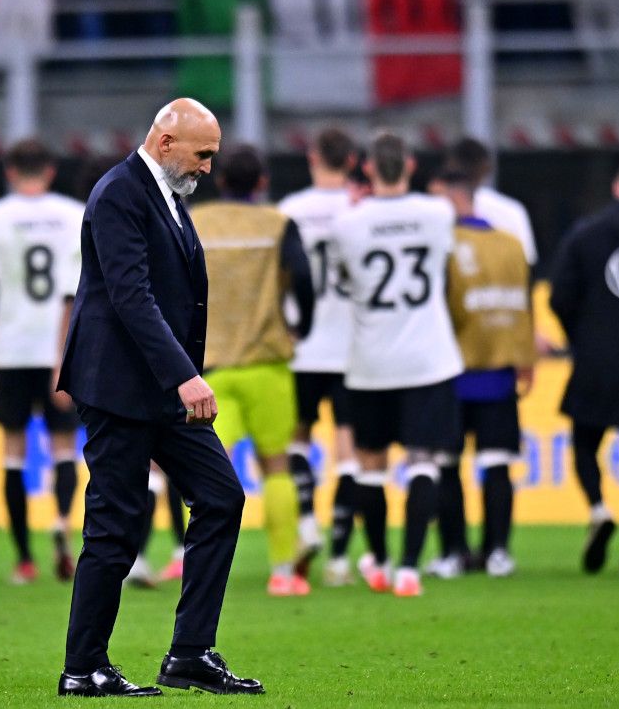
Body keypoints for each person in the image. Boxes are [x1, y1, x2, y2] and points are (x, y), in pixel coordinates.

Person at [56, 98, 261, 697]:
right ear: (165, 141)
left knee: (221, 498)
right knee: (114, 527)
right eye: (202, 155)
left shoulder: (166, 194)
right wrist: (185, 375)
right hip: (120, 387)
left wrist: (179, 377)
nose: (208, 169)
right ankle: (83, 668)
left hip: (162, 390)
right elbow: (129, 295)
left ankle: (190, 654)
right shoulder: (119, 192)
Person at [332, 131, 463, 598]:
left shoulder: (348, 223)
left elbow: (345, 280)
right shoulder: (438, 212)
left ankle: (382, 563)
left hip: (371, 362)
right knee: (423, 460)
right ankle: (410, 568)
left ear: (367, 170)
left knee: (370, 463)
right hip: (428, 359)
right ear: (409, 166)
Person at [195, 144, 315, 596]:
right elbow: (303, 276)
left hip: (210, 369)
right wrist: (305, 323)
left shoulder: (196, 221)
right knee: (277, 466)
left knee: (207, 476)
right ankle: (283, 571)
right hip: (267, 363)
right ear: (262, 181)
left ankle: (203, 572)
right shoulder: (277, 223)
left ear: (219, 179)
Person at [0, 139, 83, 584]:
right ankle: (59, 520)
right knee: (63, 448)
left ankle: (23, 558)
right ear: (50, 171)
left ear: (10, 170)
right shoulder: (73, 214)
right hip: (62, 350)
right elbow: (77, 293)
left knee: (13, 453)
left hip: (12, 348)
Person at [549, 155, 619, 574]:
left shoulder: (587, 234)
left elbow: (559, 297)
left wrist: (582, 337)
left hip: (595, 361)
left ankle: (598, 507)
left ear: (618, 187)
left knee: (583, 442)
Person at [429, 168, 535, 579]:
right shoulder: (511, 245)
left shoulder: (445, 244)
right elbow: (524, 306)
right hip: (501, 371)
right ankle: (498, 553)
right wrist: (525, 358)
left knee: (447, 465)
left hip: (452, 372)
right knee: (498, 464)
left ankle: (454, 553)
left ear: (454, 199)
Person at [276, 127, 361, 586]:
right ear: (351, 160)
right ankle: (340, 560)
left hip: (302, 344)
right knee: (349, 452)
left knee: (297, 439)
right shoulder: (359, 207)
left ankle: (308, 520)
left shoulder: (290, 210)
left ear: (313, 159)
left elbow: (282, 278)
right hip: (352, 346)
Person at [447, 137, 537, 266]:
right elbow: (527, 261)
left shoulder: (441, 209)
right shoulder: (512, 210)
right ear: (486, 168)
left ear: (449, 166)